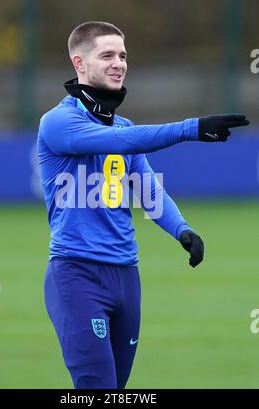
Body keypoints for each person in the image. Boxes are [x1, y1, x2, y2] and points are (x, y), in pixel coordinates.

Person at [37, 21, 249, 389]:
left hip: (126, 278)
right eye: (107, 55)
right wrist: (190, 128)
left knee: (118, 389)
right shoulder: (59, 122)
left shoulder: (122, 126)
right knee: (97, 388)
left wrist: (182, 229)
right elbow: (130, 141)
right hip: (77, 274)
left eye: (122, 55)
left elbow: (149, 192)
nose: (119, 63)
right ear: (79, 63)